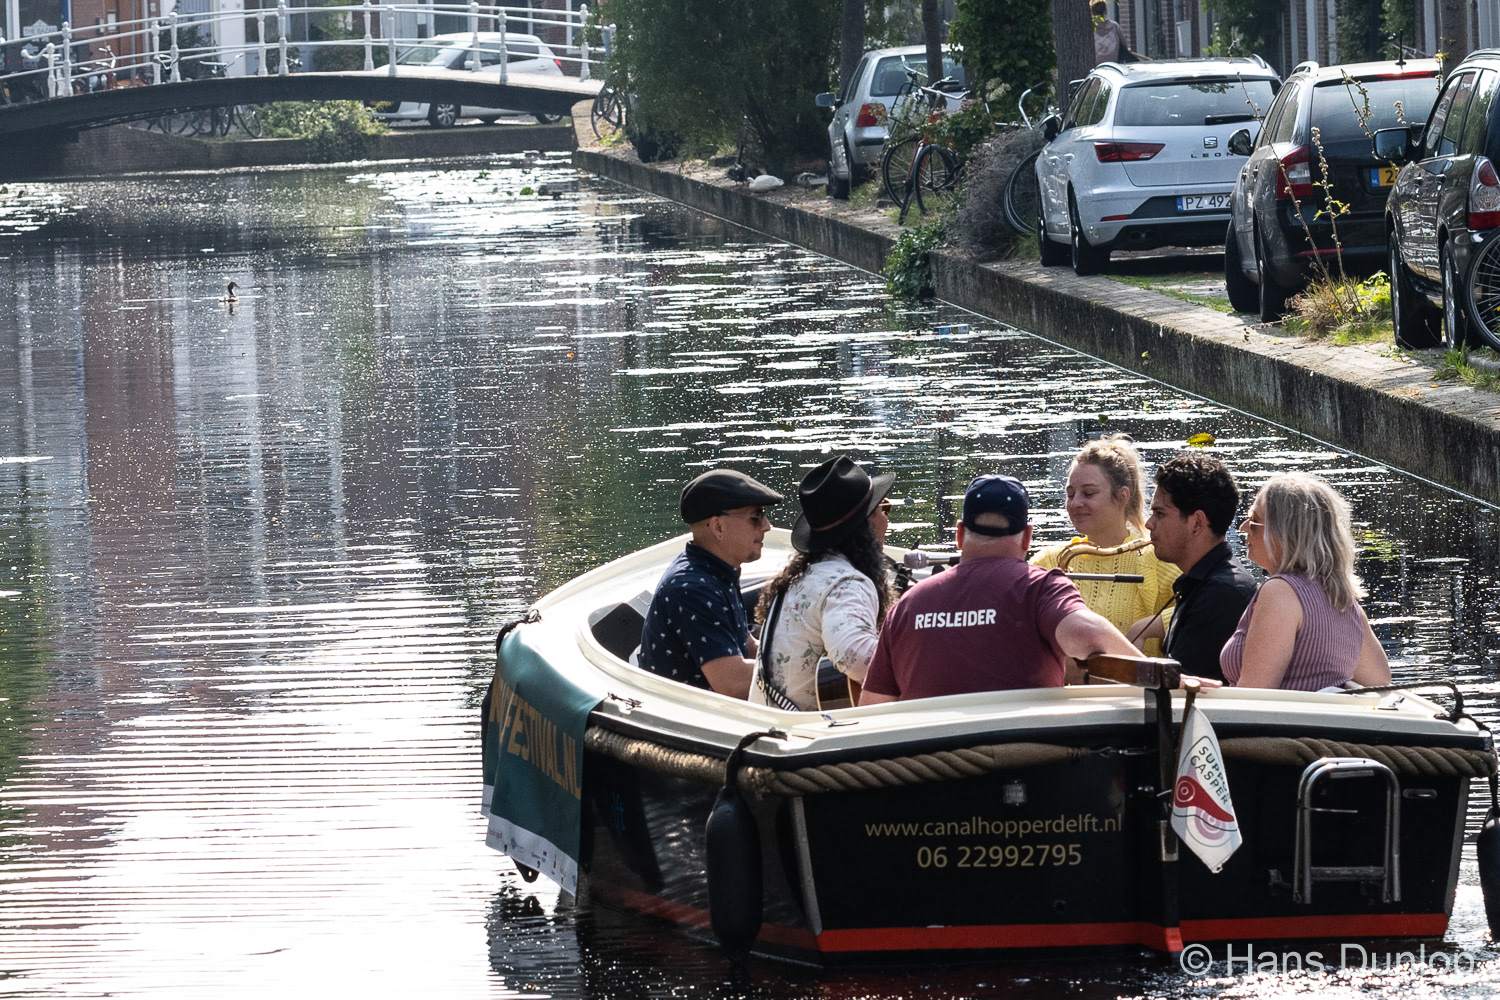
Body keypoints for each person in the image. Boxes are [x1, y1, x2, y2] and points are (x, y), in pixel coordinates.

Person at [860, 474, 1141, 704]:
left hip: (928, 767)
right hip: (1022, 766)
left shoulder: (908, 605)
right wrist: (1164, 678)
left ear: (960, 534)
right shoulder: (1040, 588)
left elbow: (872, 706)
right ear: (1027, 537)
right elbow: (1088, 635)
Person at [750, 456, 896, 711]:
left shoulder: (800, 576)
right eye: (882, 511)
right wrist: (918, 665)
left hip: (770, 722)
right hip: (806, 734)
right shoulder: (847, 583)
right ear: (867, 527)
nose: (887, 521)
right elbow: (853, 655)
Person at [1220, 472, 1391, 690]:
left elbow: (1254, 695)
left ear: (1284, 533)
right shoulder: (1341, 595)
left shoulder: (1279, 592)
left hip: (1279, 724)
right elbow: (1379, 679)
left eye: (1254, 520)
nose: (1243, 527)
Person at [637, 469, 784, 698]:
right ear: (718, 527)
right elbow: (733, 683)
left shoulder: (717, 570)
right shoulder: (693, 589)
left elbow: (748, 646)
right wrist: (808, 672)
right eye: (756, 517)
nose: (766, 526)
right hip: (685, 722)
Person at [1031, 436, 1178, 656]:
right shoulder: (1047, 562)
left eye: (1089, 493)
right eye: (1071, 494)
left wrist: (1147, 627)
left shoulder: (1155, 560)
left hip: (1133, 690)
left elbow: (1205, 605)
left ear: (1122, 496)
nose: (1075, 503)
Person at [1127, 452, 1258, 680]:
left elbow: (1183, 692)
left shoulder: (1221, 595)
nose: (1149, 523)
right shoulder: (1206, 583)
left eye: (1160, 513)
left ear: (1196, 522)